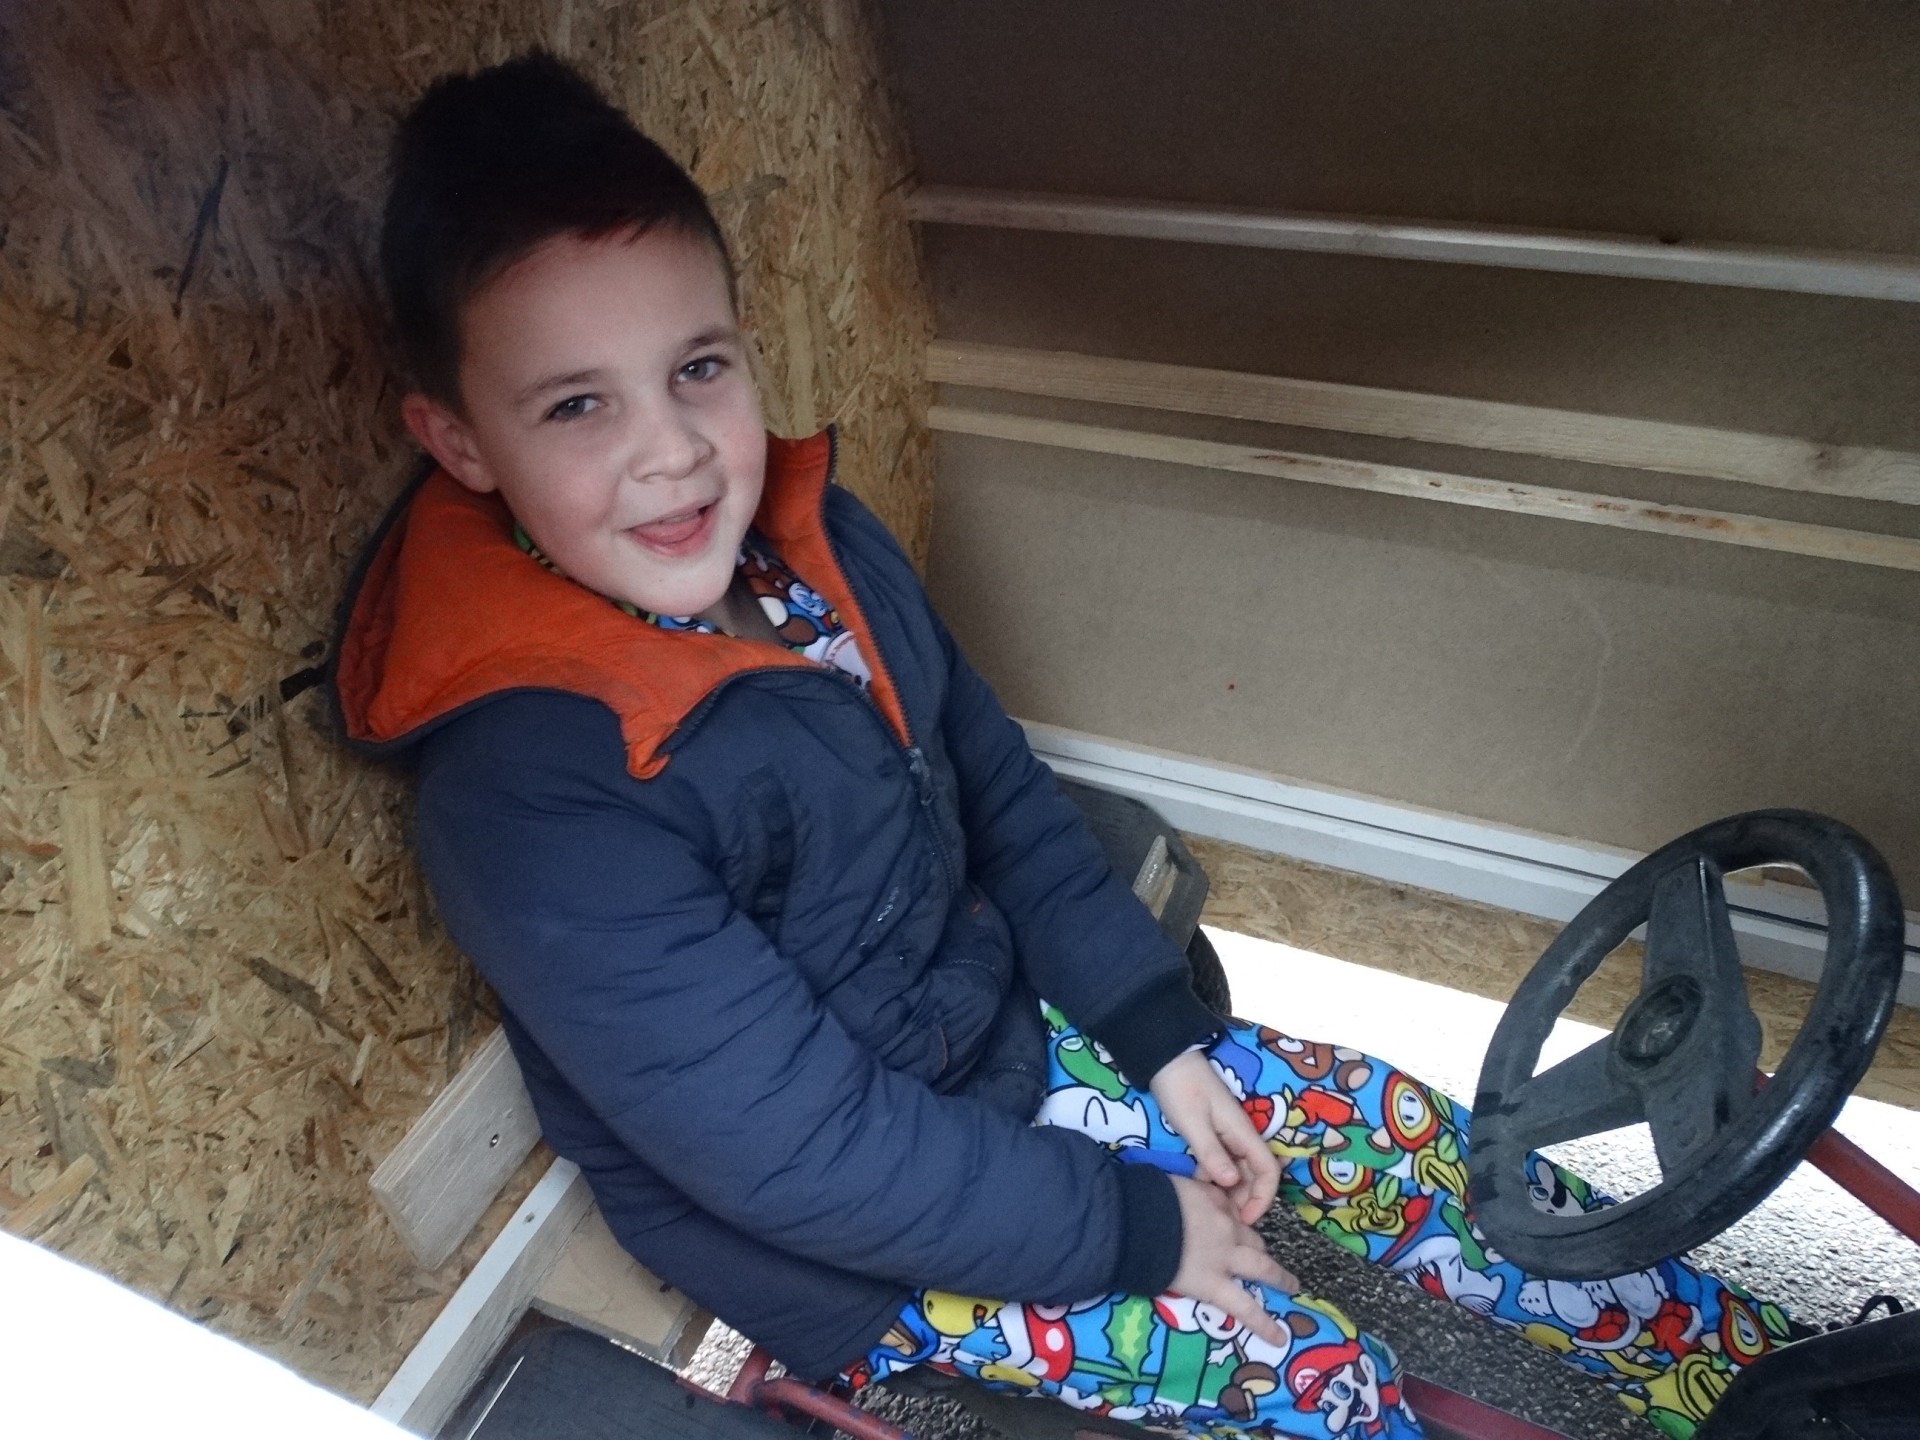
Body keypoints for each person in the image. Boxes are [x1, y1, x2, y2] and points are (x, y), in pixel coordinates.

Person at [331, 54, 1787, 1440]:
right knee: (1316, 1373)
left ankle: (1776, 1385)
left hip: (1005, 1033)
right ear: (459, 443)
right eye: (578, 404)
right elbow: (800, 1152)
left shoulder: (814, 550)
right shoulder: (536, 795)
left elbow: (1002, 795)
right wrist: (1139, 1227)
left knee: (1398, 1134)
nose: (673, 451)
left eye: (697, 368)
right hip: (849, 1237)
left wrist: (1159, 1040)